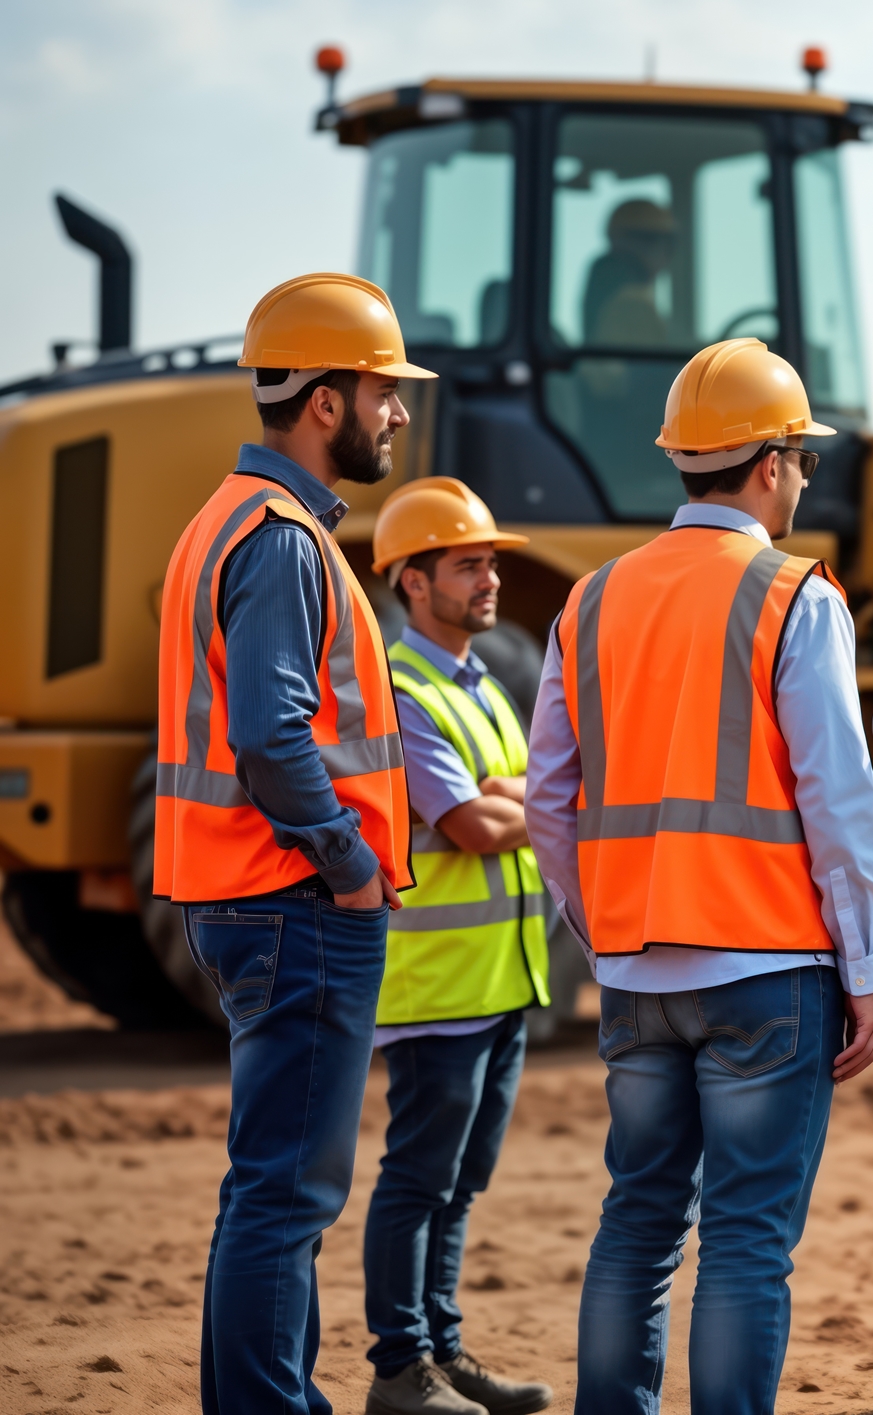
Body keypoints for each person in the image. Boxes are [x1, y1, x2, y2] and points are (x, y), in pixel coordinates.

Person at [524, 337, 873, 1415]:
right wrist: (865, 969)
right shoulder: (793, 596)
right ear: (771, 461)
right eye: (803, 458)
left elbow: (550, 797)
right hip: (767, 970)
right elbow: (837, 796)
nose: (804, 479)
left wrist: (604, 930)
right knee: (744, 1238)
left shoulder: (588, 598)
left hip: (637, 973)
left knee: (636, 1221)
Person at [155, 272, 429, 1415]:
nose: (399, 414)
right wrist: (352, 866)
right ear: (325, 399)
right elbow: (272, 732)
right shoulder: (280, 542)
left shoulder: (234, 521)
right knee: (289, 1192)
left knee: (267, 1189)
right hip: (296, 901)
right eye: (384, 391)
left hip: (246, 894)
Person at [358, 477, 555, 1415]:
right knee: (419, 1177)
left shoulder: (479, 686)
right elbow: (478, 823)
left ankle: (441, 1347)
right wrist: (511, 801)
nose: (488, 580)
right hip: (438, 987)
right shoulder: (401, 690)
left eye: (488, 562)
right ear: (410, 580)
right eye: (467, 563)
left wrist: (506, 798)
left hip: (501, 979)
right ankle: (400, 1368)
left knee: (461, 1181)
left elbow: (512, 800)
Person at [582, 199, 678, 349]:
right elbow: (651, 368)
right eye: (666, 245)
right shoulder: (632, 304)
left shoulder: (606, 283)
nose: (666, 256)